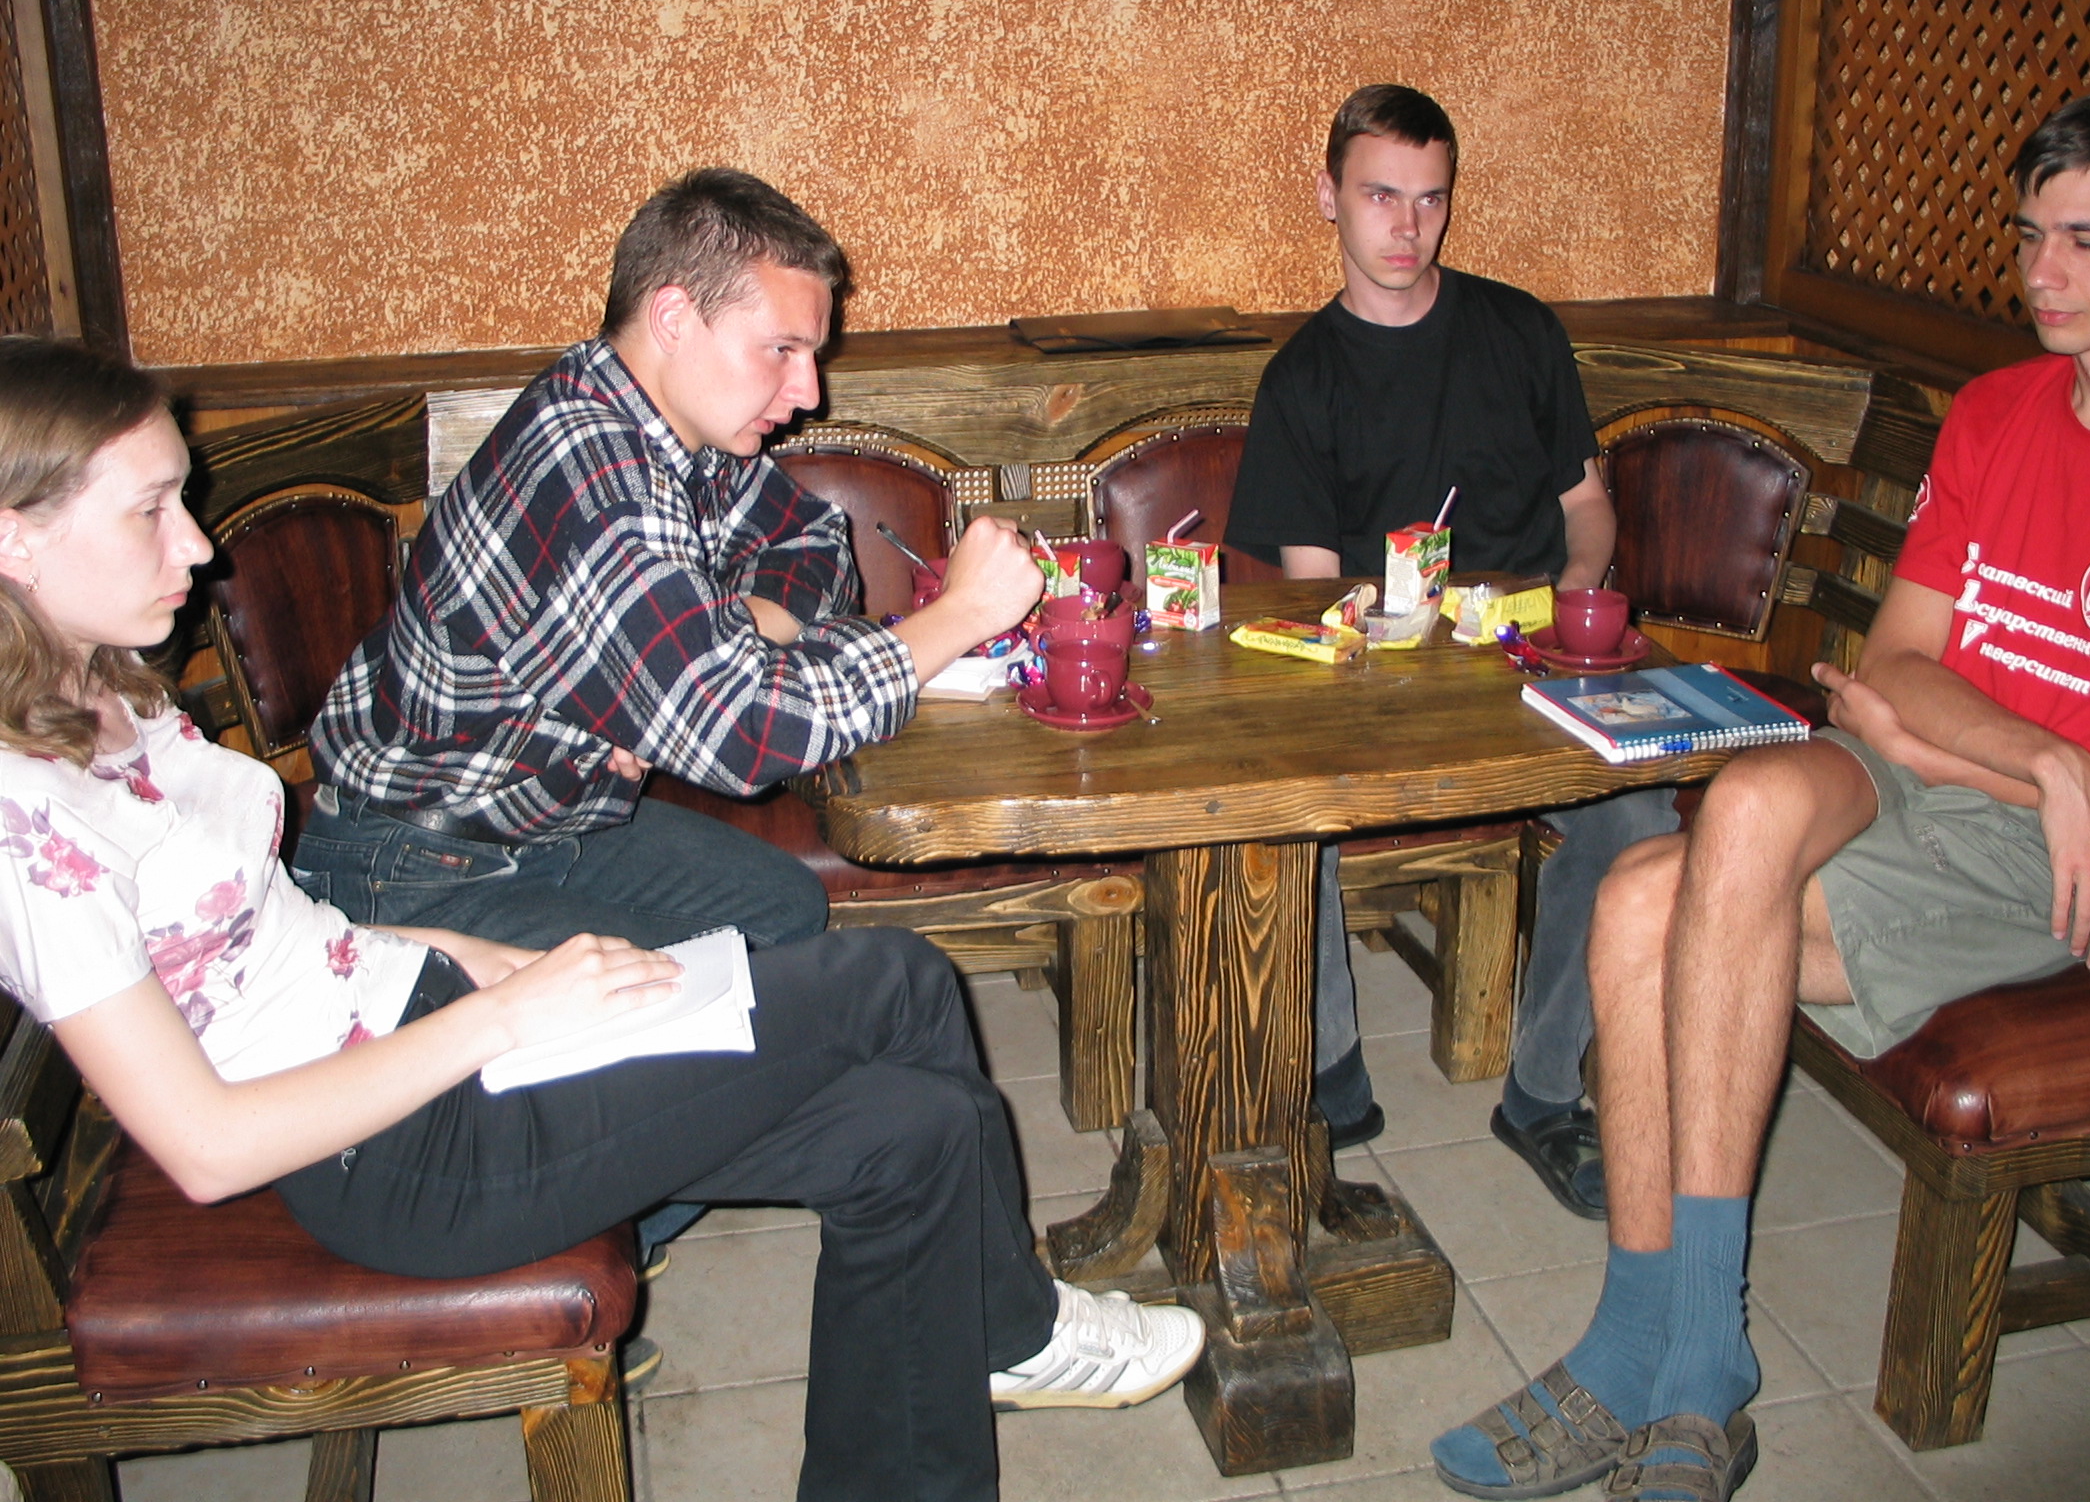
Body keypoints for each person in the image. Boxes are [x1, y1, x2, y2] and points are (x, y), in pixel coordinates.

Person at [0, 338, 1204, 1502]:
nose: (196, 542)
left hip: (419, 1015)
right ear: (15, 536)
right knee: (894, 982)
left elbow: (277, 941)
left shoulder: (101, 693)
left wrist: (478, 960)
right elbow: (208, 1146)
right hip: (395, 1156)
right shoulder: (24, 825)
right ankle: (1007, 1330)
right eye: (150, 510)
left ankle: (976, 1355)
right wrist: (507, 1017)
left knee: (917, 1129)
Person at [1430, 90, 2090, 1501]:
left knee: (1640, 904)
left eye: (2085, 241)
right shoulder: (1998, 411)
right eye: (2029, 236)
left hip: (2062, 855)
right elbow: (1893, 667)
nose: (2042, 273)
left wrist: (1991, 763)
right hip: (1948, 773)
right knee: (1748, 806)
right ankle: (1679, 1353)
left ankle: (1662, 1353)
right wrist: (2042, 754)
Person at [299, 168, 1038, 1263]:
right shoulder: (589, 473)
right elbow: (743, 736)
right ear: (676, 315)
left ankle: (638, 1206)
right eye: (782, 349)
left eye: (812, 355)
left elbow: (810, 539)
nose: (807, 392)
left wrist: (752, 623)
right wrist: (962, 616)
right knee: (718, 1008)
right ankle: (588, 1226)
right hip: (411, 867)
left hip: (546, 824)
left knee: (779, 909)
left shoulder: (671, 433)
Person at [1225, 84, 1678, 1212]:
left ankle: (1543, 1093)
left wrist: (1574, 596)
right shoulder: (1303, 380)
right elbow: (1312, 590)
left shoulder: (1519, 332)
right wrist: (1386, 635)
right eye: (1381, 196)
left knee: (1641, 820)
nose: (1407, 226)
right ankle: (1330, 1075)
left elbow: (1587, 508)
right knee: (1282, 800)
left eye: (1430, 200)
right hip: (1380, 681)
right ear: (1328, 196)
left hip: (1537, 664)